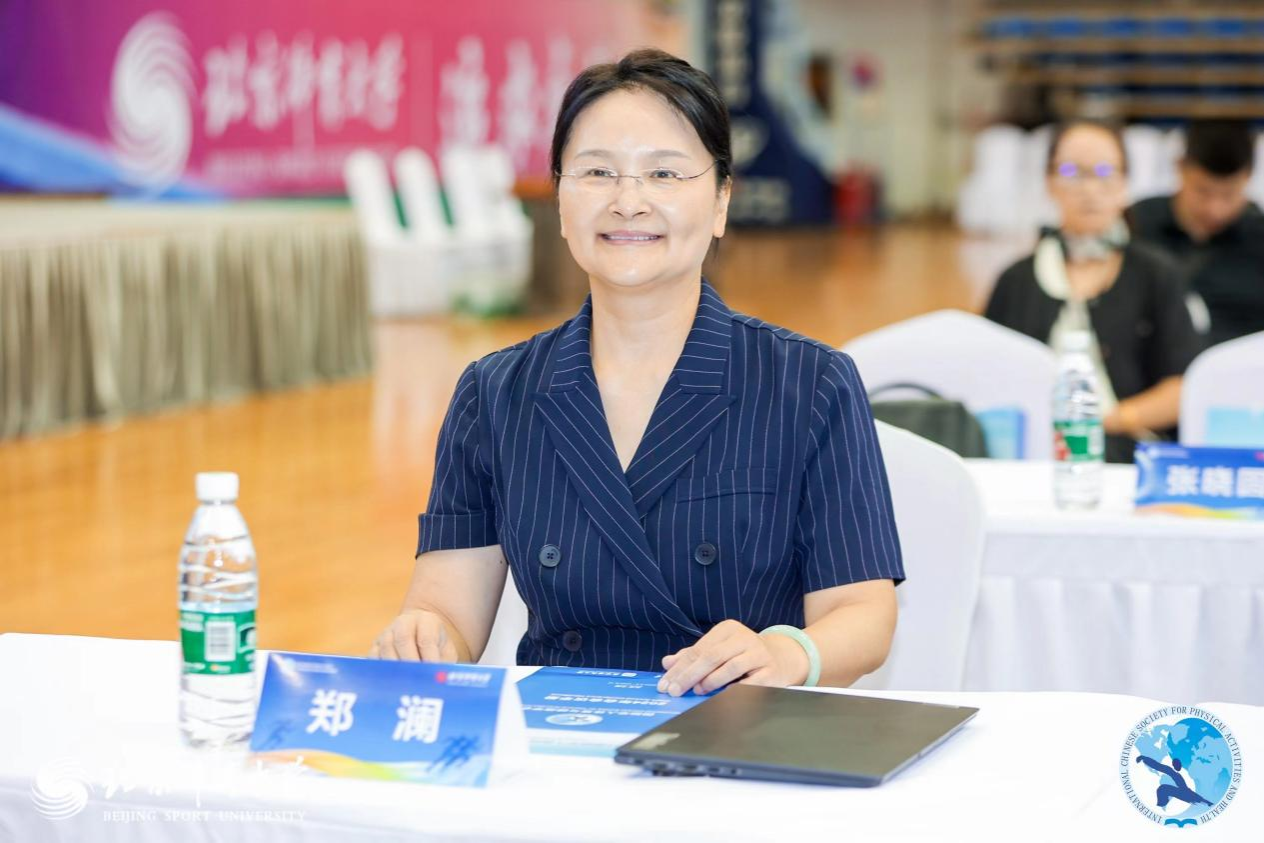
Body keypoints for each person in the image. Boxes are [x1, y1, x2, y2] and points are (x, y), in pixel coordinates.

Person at [370, 49, 903, 696]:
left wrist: (786, 654)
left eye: (664, 174)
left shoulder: (810, 383)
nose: (628, 202)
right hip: (560, 731)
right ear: (560, 201)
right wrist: (424, 635)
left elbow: (863, 614)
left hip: (738, 730)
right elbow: (448, 611)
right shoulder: (494, 393)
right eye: (597, 172)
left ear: (721, 201)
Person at [985, 119, 1203, 463]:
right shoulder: (1016, 280)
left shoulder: (1156, 273)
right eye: (1071, 172)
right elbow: (989, 376)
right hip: (1031, 454)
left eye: (1104, 172)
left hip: (1127, 450)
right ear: (1049, 182)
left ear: (1125, 183)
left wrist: (1108, 421)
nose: (1089, 189)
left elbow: (1183, 388)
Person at [1131, 119, 1264, 347]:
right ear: (1180, 168)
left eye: (1229, 194)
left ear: (1248, 177)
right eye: (1203, 191)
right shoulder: (1137, 224)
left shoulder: (1259, 238)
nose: (1215, 209)